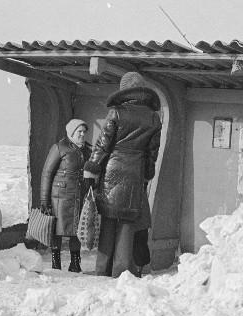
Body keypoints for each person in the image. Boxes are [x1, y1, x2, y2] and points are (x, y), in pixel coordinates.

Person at [83, 72, 162, 278]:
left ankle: (102, 270)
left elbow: (103, 145)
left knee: (109, 221)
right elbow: (152, 153)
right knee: (127, 224)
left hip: (111, 171)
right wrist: (146, 175)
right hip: (135, 175)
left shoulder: (117, 112)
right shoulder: (154, 117)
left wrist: (91, 169)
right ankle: (122, 273)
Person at [39, 118, 91, 272]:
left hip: (79, 195)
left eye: (84, 132)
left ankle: (75, 263)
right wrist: (44, 199)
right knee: (58, 229)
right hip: (60, 196)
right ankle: (56, 262)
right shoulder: (59, 147)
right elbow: (47, 173)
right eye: (79, 131)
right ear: (71, 132)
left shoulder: (88, 150)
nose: (82, 134)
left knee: (77, 229)